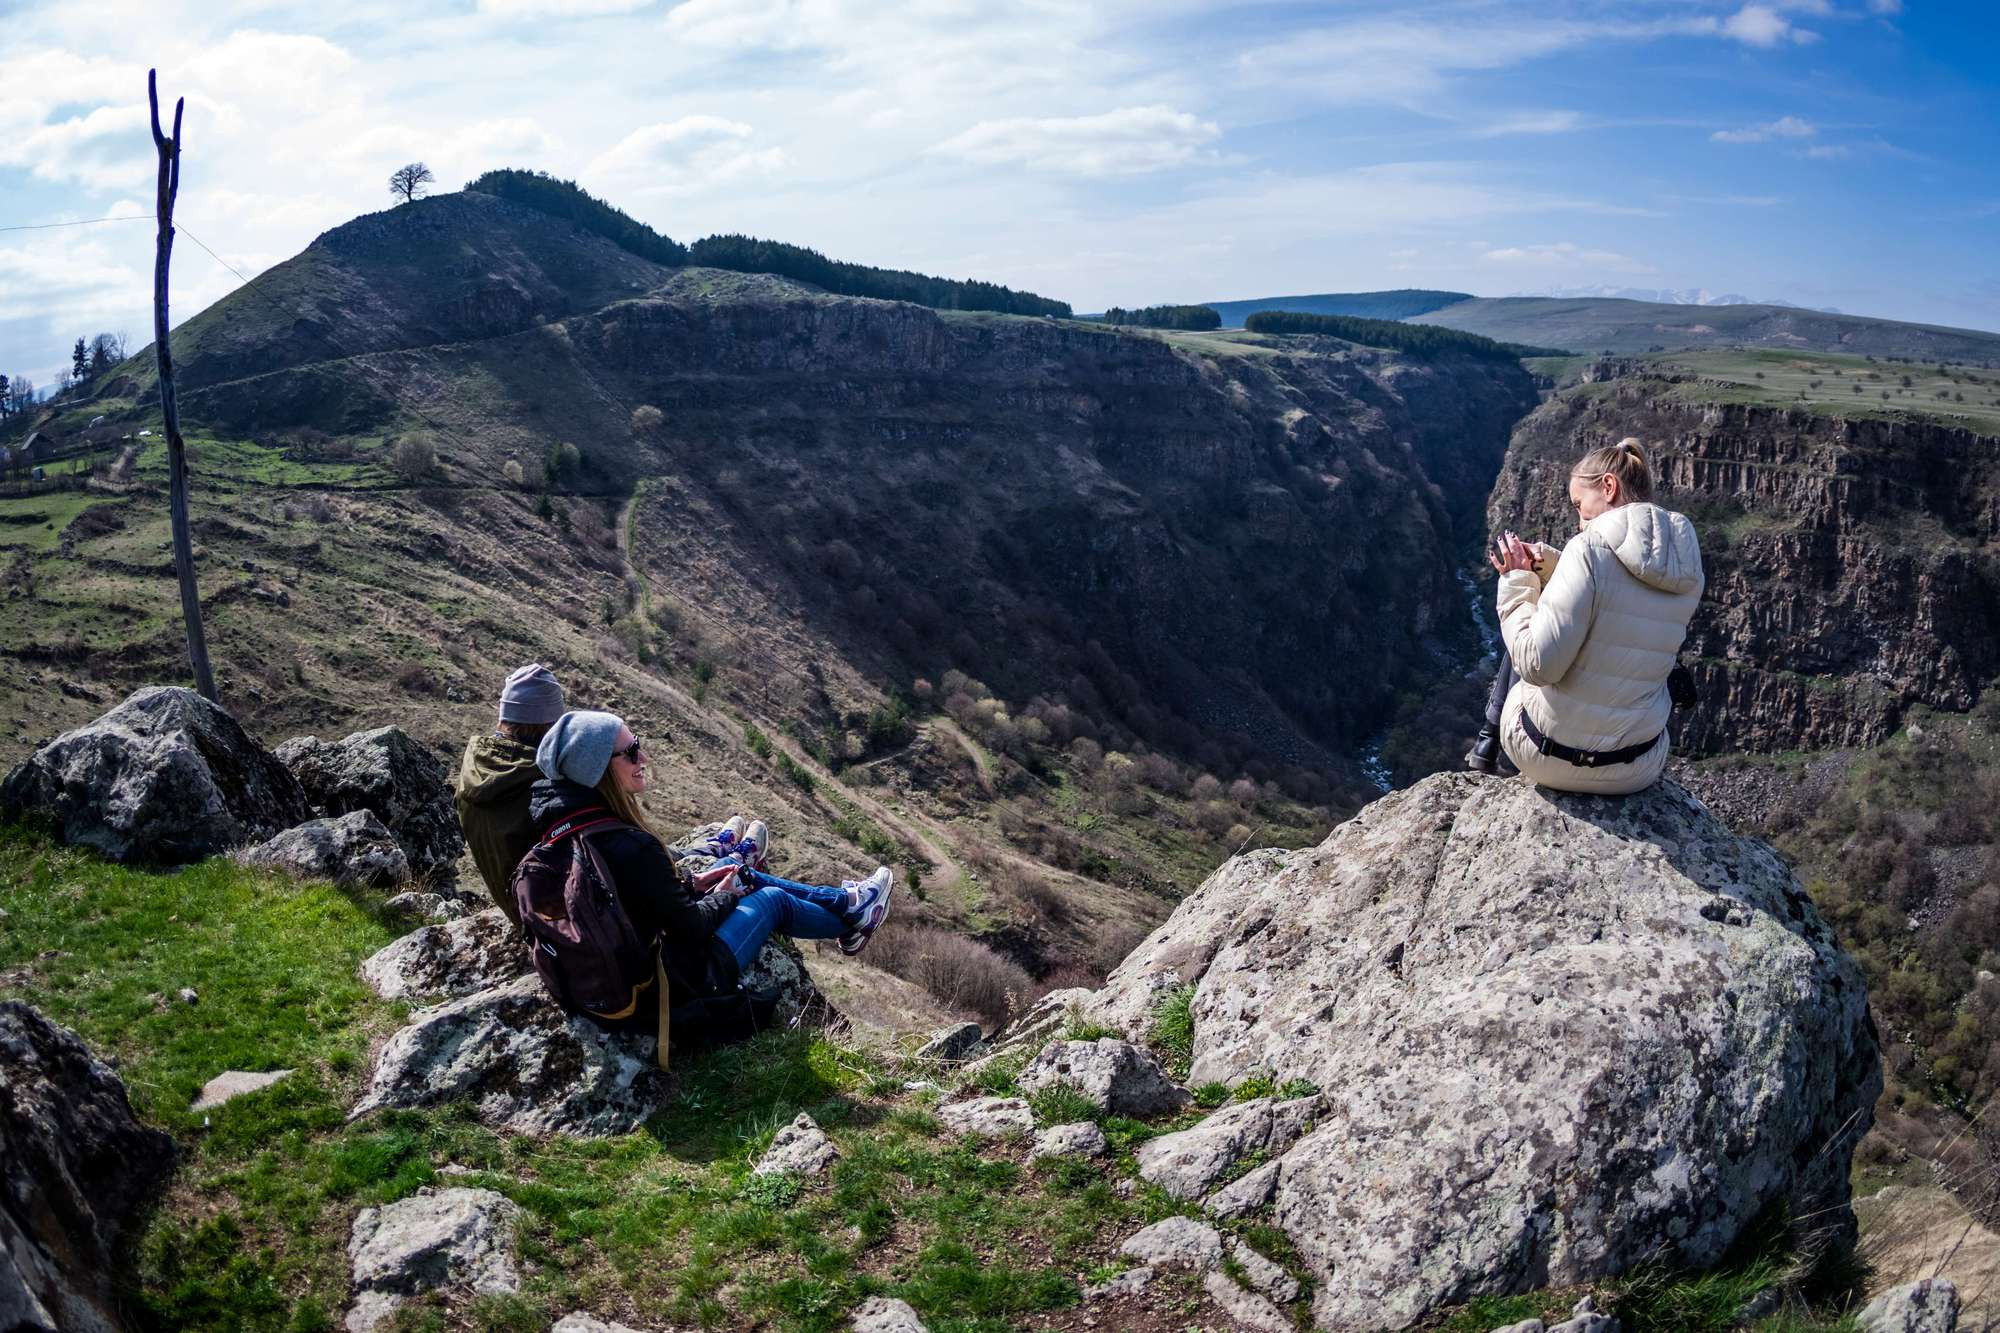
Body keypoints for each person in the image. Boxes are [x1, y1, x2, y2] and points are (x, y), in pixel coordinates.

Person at [526, 709, 894, 1032]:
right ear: (599, 770)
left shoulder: (559, 827)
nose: (644, 756)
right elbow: (691, 929)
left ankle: (847, 903)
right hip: (670, 983)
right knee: (772, 900)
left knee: (732, 867)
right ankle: (851, 920)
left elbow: (631, 895)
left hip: (612, 977)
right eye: (631, 751)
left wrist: (691, 882)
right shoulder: (632, 845)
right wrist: (723, 896)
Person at [1470, 438, 1703, 796]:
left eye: (1579, 505)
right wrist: (1547, 563)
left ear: (1608, 486)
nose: (1580, 522)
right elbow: (1618, 594)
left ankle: (1486, 742)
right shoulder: (1686, 563)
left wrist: (1519, 581)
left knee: (1531, 623)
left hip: (1551, 757)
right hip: (1636, 768)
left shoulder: (1587, 548)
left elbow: (1537, 665)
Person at [454, 663, 566, 919]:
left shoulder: (474, 770)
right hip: (561, 924)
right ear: (551, 724)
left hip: (518, 907)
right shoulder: (543, 784)